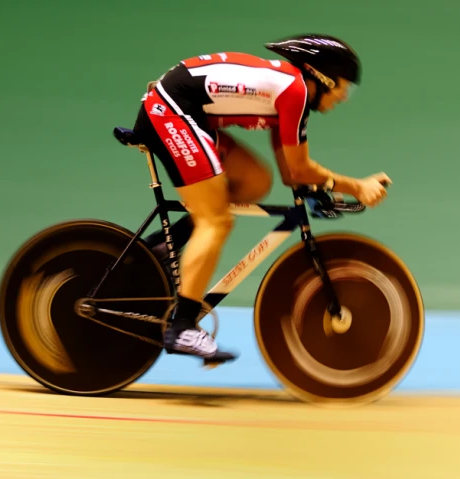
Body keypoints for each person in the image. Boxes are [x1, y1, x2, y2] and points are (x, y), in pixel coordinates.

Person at [130, 34, 392, 365]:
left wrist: (320, 188)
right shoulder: (294, 92)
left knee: (255, 181)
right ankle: (182, 327)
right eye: (344, 87)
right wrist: (356, 186)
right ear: (324, 76)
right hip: (171, 110)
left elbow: (289, 172)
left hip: (181, 108)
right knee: (216, 221)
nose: (344, 96)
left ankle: (163, 247)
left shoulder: (290, 93)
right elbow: (299, 169)